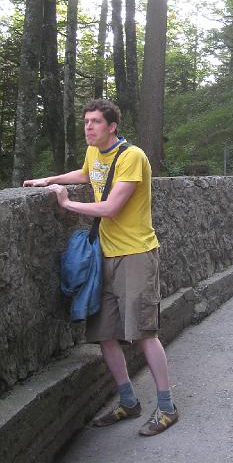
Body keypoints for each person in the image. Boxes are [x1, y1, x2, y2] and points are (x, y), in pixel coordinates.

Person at [23, 99, 178, 437]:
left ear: (112, 127)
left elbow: (110, 207)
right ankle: (128, 401)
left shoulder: (132, 157)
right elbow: (85, 174)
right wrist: (48, 179)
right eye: (86, 122)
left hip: (136, 254)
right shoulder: (94, 152)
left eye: (95, 122)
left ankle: (167, 407)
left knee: (143, 333)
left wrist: (66, 202)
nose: (89, 127)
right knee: (104, 333)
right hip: (103, 255)